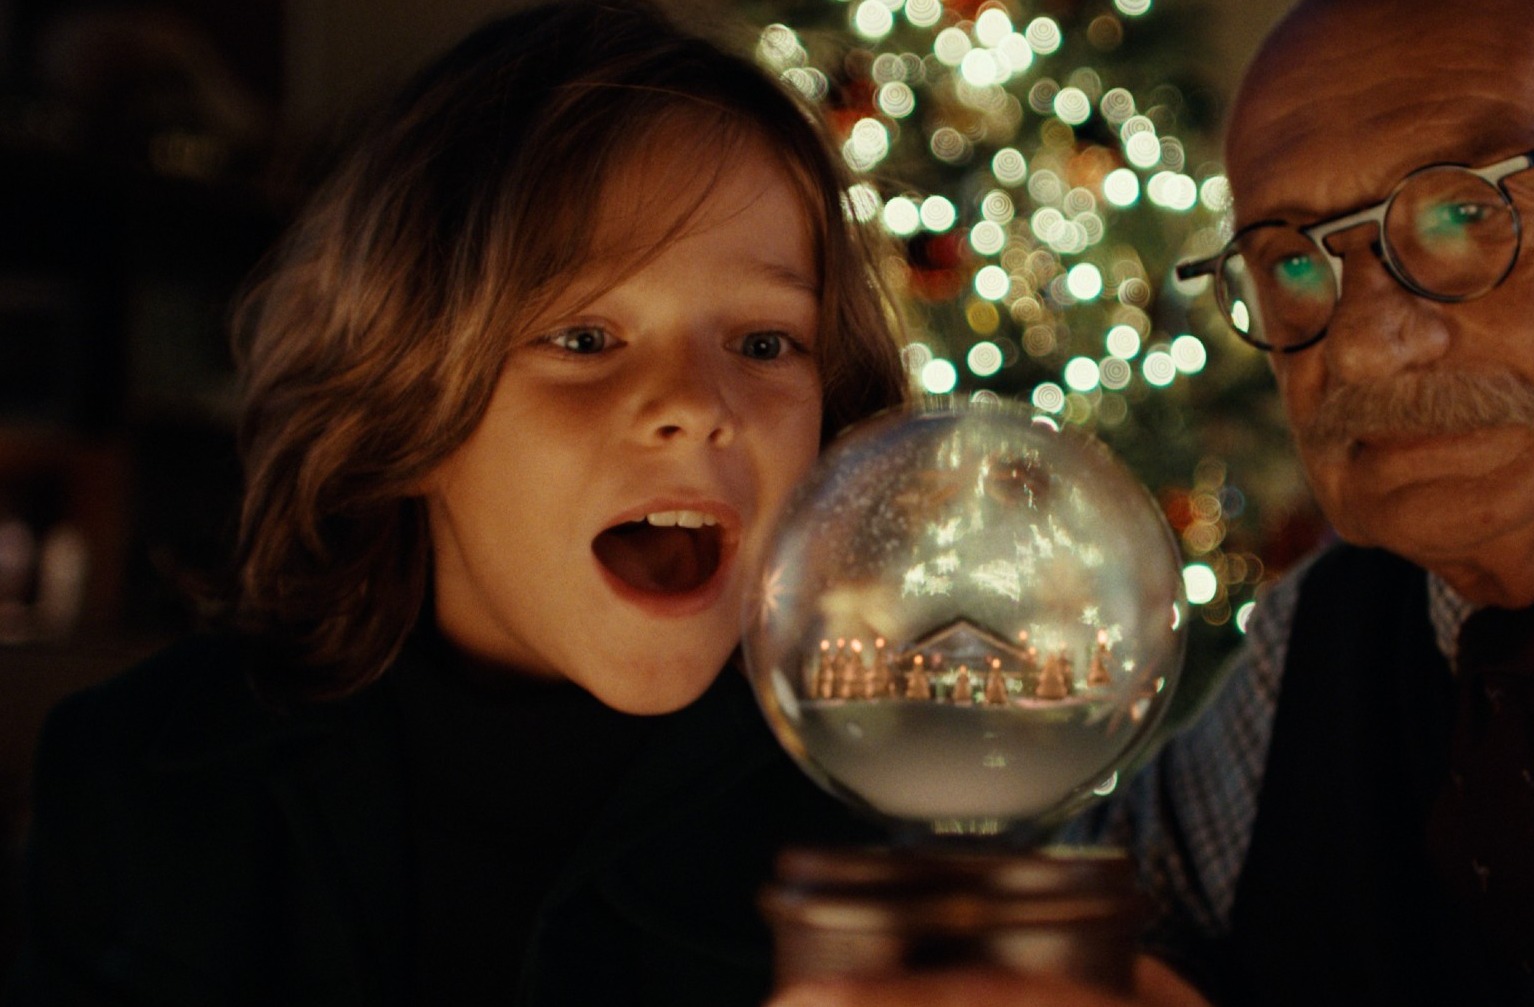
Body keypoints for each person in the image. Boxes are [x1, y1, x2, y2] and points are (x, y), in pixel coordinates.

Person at [770, 0, 1534, 1004]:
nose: (1371, 338)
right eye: (1291, 262)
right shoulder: (1321, 638)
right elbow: (1083, 945)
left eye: (1462, 214)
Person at [7, 2, 907, 1004]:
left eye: (764, 343)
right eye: (583, 338)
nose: (697, 407)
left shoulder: (910, 807)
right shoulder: (143, 780)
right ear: (408, 410)